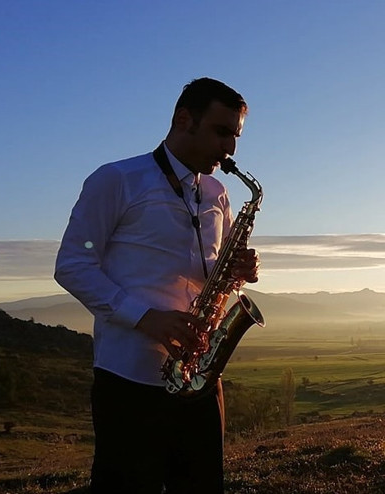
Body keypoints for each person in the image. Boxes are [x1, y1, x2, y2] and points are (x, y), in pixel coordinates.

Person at [55, 77, 260, 494]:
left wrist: (236, 270)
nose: (231, 149)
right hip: (129, 380)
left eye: (235, 136)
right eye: (222, 132)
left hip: (200, 377)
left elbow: (206, 275)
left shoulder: (218, 192)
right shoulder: (117, 180)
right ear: (184, 119)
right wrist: (146, 318)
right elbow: (72, 264)